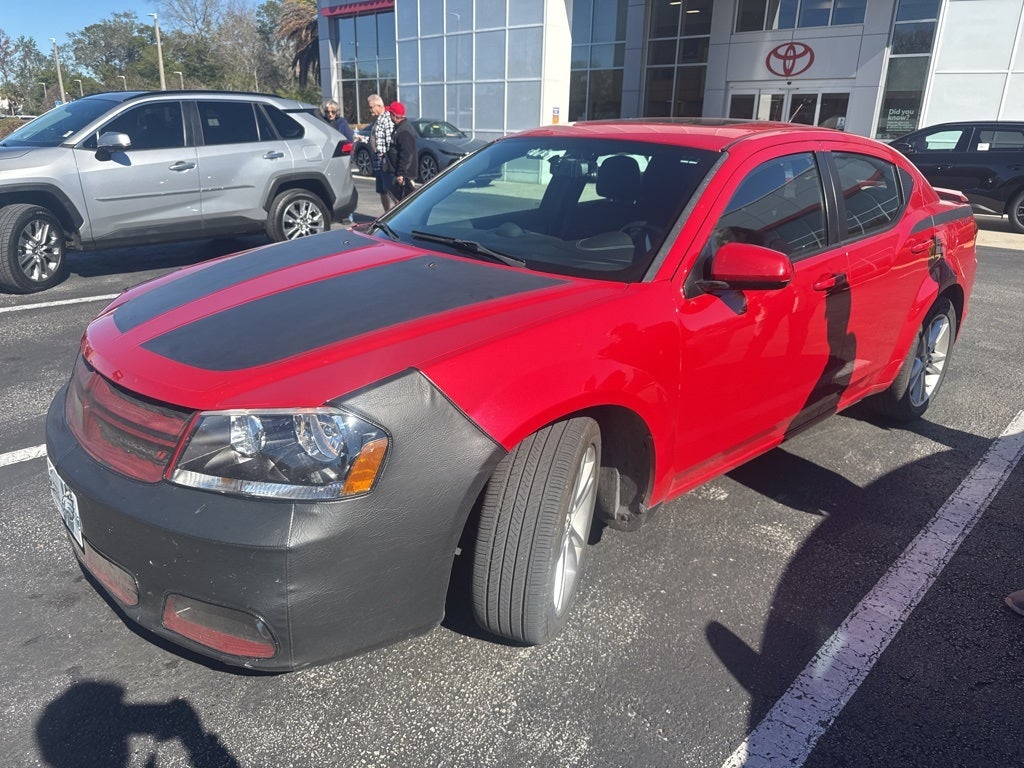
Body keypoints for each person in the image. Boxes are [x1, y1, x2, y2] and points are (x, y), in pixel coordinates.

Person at [367, 93, 396, 212]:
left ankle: (399, 216)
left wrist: (386, 160)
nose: (370, 110)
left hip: (385, 161)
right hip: (378, 160)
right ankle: (387, 214)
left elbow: (390, 142)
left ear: (379, 105)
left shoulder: (387, 119)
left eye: (371, 107)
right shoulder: (378, 121)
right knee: (382, 190)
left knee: (391, 190)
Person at [387, 101, 417, 202]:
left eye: (390, 113)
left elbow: (406, 154)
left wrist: (401, 174)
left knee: (406, 202)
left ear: (394, 116)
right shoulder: (399, 128)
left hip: (405, 175)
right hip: (399, 172)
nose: (389, 116)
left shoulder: (404, 131)